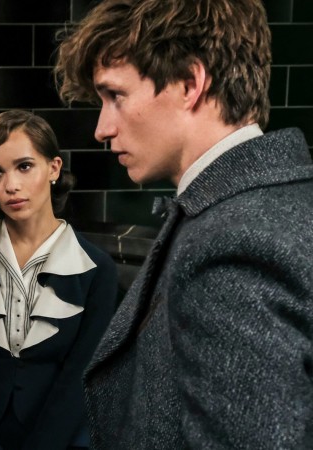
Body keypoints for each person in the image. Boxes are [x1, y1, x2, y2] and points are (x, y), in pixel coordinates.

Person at [54, 0, 313, 448]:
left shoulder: (233, 246)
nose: (102, 128)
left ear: (190, 83)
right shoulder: (270, 201)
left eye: (116, 96)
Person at [0, 110, 118, 450]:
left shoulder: (97, 269)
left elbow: (80, 376)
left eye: (24, 166)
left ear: (54, 168)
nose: (10, 186)